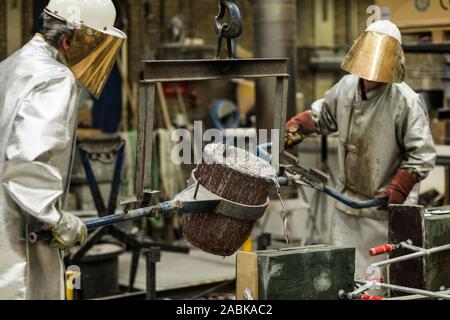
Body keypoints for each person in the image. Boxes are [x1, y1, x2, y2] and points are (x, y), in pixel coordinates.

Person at [286, 20, 436, 279]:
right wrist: (299, 125)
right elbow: (324, 115)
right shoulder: (346, 87)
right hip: (347, 206)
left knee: (381, 284)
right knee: (342, 279)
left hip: (385, 212)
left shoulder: (406, 101)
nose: (370, 73)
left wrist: (398, 188)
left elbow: (421, 155)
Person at [0, 0, 126, 299]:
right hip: (18, 241)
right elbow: (26, 165)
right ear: (72, 40)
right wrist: (57, 220)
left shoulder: (9, 66)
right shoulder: (54, 77)